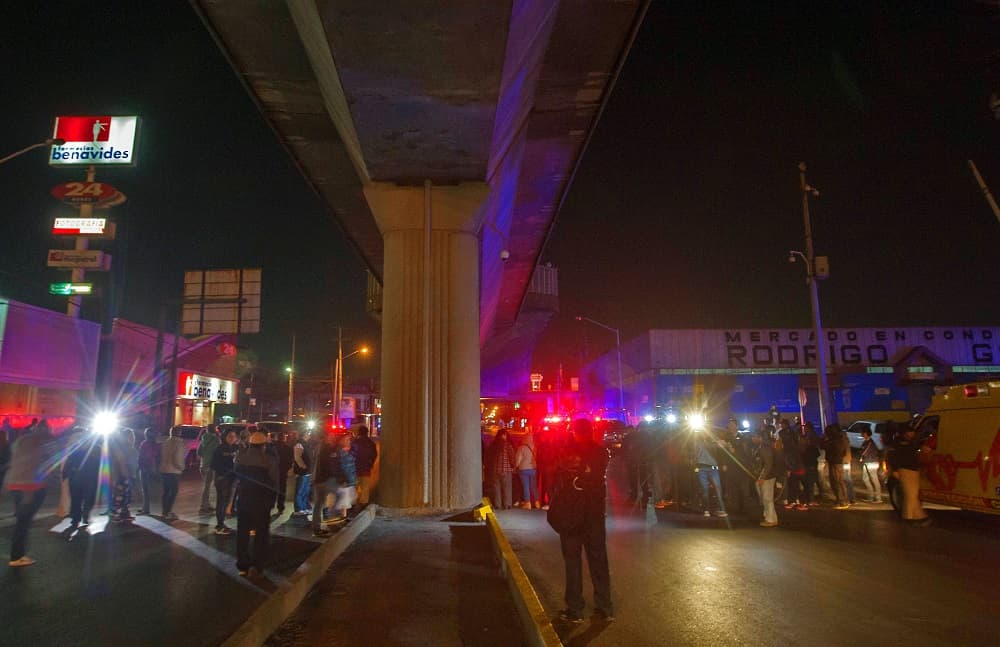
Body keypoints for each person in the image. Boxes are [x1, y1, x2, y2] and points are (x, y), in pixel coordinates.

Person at [551, 419, 613, 624]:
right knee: (598, 561)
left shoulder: (567, 452)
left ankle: (575, 609)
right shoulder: (601, 454)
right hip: (594, 516)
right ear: (591, 431)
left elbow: (558, 476)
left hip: (571, 515)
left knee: (572, 562)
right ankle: (604, 607)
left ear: (574, 432)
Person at [6, 419, 54, 566]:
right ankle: (17, 556)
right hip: (32, 487)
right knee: (24, 523)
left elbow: (13, 457)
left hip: (15, 484)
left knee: (21, 520)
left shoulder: (22, 440)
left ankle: (18, 554)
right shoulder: (44, 442)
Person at [234, 431, 279, 577]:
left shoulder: (240, 457)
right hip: (262, 502)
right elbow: (274, 482)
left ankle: (242, 565)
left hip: (244, 499)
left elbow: (236, 476)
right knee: (261, 534)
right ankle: (257, 565)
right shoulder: (269, 460)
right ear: (263, 446)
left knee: (242, 533)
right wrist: (273, 501)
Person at [887, 425, 930, 525]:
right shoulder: (897, 443)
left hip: (914, 471)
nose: (912, 434)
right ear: (905, 433)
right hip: (904, 470)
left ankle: (919, 516)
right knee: (910, 495)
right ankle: (908, 517)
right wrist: (895, 470)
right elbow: (893, 457)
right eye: (910, 432)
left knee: (913, 495)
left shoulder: (912, 443)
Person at [63, 429, 101, 528]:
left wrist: (65, 474)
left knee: (77, 498)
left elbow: (69, 462)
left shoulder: (94, 448)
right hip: (87, 477)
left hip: (79, 477)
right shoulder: (95, 448)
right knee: (85, 498)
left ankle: (78, 518)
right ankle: (81, 516)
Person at [693, 430, 728, 517]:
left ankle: (719, 509)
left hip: (713, 467)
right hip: (701, 468)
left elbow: (722, 448)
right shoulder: (696, 441)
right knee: (705, 489)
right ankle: (706, 509)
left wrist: (720, 442)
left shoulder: (713, 441)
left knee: (718, 488)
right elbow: (693, 454)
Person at [211, 430, 239, 535]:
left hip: (232, 479)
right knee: (221, 502)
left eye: (234, 436)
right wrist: (224, 473)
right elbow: (214, 464)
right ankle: (219, 525)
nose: (232, 438)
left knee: (226, 502)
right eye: (230, 436)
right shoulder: (220, 449)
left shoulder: (236, 448)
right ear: (225, 437)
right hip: (222, 479)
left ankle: (221, 523)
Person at [110, 428, 139, 523]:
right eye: (131, 436)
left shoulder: (129, 448)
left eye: (133, 436)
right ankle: (116, 514)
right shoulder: (124, 448)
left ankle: (124, 513)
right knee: (121, 495)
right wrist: (125, 475)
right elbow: (121, 462)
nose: (133, 438)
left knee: (127, 496)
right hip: (124, 476)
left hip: (129, 475)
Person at [752, 428, 778, 527]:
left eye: (754, 437)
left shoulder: (764, 448)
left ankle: (770, 519)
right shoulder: (759, 447)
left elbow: (768, 464)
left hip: (767, 476)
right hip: (763, 476)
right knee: (764, 498)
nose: (752, 439)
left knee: (767, 498)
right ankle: (769, 517)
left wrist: (762, 477)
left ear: (760, 438)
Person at [159, 426, 187, 521]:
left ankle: (164, 511)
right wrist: (182, 468)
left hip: (164, 470)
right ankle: (168, 511)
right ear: (179, 433)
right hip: (174, 471)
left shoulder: (165, 442)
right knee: (173, 491)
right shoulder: (178, 444)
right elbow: (178, 458)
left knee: (166, 491)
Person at [330, 434, 358, 522]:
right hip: (343, 481)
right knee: (341, 501)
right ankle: (336, 519)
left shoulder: (347, 451)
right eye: (346, 439)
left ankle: (342, 518)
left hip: (348, 480)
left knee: (344, 502)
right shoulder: (338, 453)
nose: (348, 441)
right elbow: (338, 467)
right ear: (340, 441)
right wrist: (342, 478)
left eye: (349, 440)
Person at [823, 423, 850, 509]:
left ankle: (842, 501)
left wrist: (825, 439)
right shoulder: (840, 439)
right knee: (838, 481)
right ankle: (841, 499)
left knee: (837, 481)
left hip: (835, 462)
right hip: (836, 462)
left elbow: (823, 445)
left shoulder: (835, 441)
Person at [487, 429, 516, 509]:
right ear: (505, 435)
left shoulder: (493, 445)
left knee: (496, 488)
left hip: (495, 470)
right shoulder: (508, 445)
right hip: (506, 470)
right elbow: (512, 458)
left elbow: (489, 457)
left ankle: (497, 504)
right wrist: (513, 466)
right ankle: (507, 504)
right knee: (507, 488)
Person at [351, 426, 378, 507]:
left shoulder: (355, 442)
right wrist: (370, 464)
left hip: (355, 469)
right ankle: (363, 504)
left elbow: (351, 454)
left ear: (359, 432)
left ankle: (352, 504)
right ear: (367, 432)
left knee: (354, 487)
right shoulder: (371, 443)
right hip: (366, 469)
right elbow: (374, 455)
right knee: (365, 488)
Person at [197, 425, 220, 513]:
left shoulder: (203, 439)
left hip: (203, 465)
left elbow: (199, 452)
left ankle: (207, 504)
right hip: (211, 465)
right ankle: (204, 505)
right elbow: (218, 453)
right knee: (207, 486)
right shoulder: (216, 440)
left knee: (206, 485)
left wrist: (205, 457)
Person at [136, 428, 160, 515]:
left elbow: (143, 456)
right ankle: (145, 507)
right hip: (151, 469)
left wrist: (139, 466)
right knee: (147, 489)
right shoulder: (156, 445)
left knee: (145, 489)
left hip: (145, 468)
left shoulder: (145, 444)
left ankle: (146, 509)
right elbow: (156, 457)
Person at [271, 432, 294, 514]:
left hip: (273, 470)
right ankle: (280, 508)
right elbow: (291, 459)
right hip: (283, 470)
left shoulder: (273, 447)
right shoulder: (288, 448)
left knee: (272, 488)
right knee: (282, 489)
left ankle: (271, 504)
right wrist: (289, 468)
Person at [859, 428, 882, 503]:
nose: (861, 434)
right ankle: (871, 496)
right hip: (868, 462)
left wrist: (861, 457)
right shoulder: (866, 442)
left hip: (871, 462)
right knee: (865, 479)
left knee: (874, 479)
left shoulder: (869, 442)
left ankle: (878, 498)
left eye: (862, 432)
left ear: (866, 433)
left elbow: (863, 452)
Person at [292, 431, 312, 516]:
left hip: (307, 472)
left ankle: (304, 507)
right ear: (304, 435)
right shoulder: (299, 444)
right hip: (302, 472)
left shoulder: (306, 444)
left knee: (305, 491)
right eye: (308, 433)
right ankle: (299, 508)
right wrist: (304, 466)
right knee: (300, 491)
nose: (309, 435)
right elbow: (297, 458)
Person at [801, 423, 821, 506]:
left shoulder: (807, 447)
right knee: (810, 483)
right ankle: (810, 499)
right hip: (810, 466)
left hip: (809, 466)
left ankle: (809, 499)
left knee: (809, 483)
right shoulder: (809, 447)